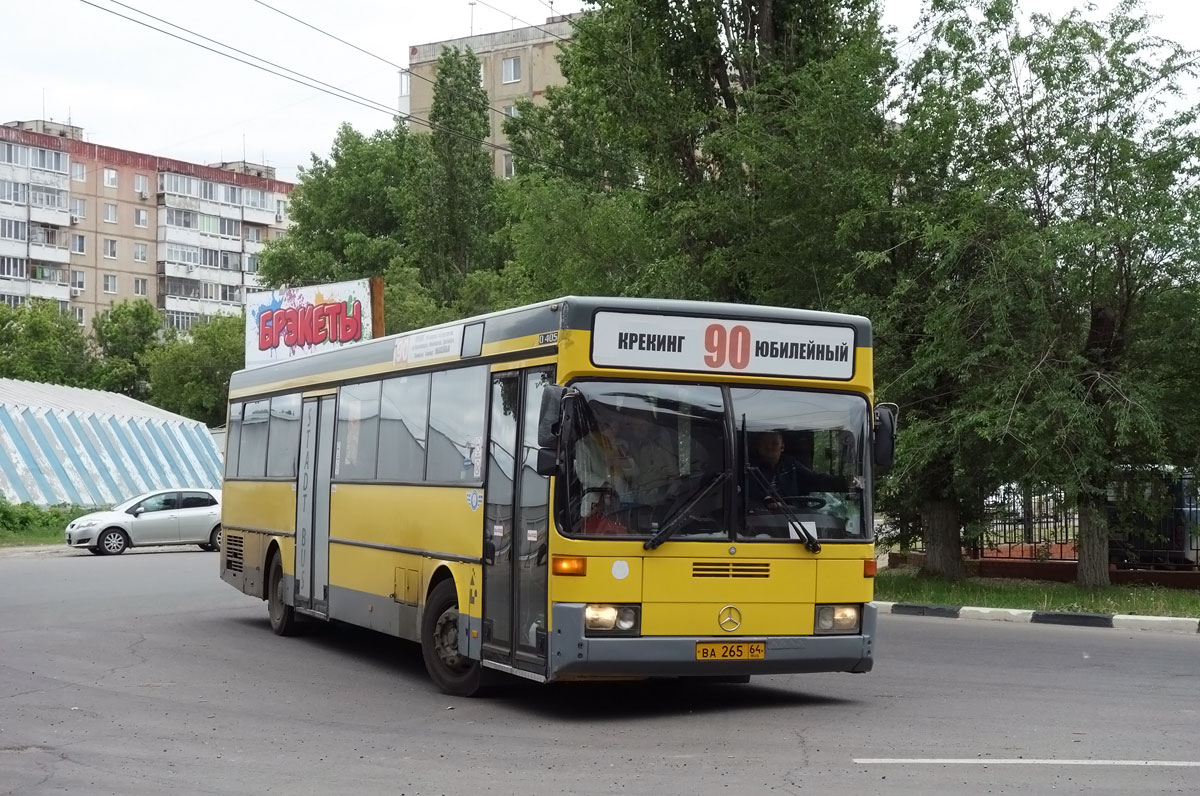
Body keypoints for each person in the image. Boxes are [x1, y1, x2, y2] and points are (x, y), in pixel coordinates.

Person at [746, 431, 851, 511]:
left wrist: (845, 482)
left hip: (794, 517)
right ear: (759, 447)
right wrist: (766, 499)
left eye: (774, 443)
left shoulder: (790, 464)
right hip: (758, 519)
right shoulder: (748, 467)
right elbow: (748, 492)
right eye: (765, 443)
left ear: (782, 447)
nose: (769, 447)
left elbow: (815, 479)